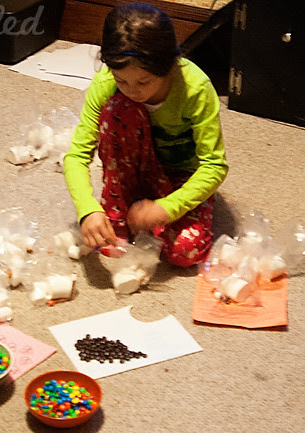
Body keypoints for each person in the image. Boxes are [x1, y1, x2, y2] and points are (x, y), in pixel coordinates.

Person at [63, 2, 229, 267]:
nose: (133, 90)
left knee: (186, 251)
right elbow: (76, 157)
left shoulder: (195, 89)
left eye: (144, 81)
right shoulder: (105, 84)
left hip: (182, 178)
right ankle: (118, 212)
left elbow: (215, 166)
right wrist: (87, 210)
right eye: (121, 80)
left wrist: (167, 208)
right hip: (131, 170)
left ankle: (148, 210)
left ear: (171, 65)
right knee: (119, 108)